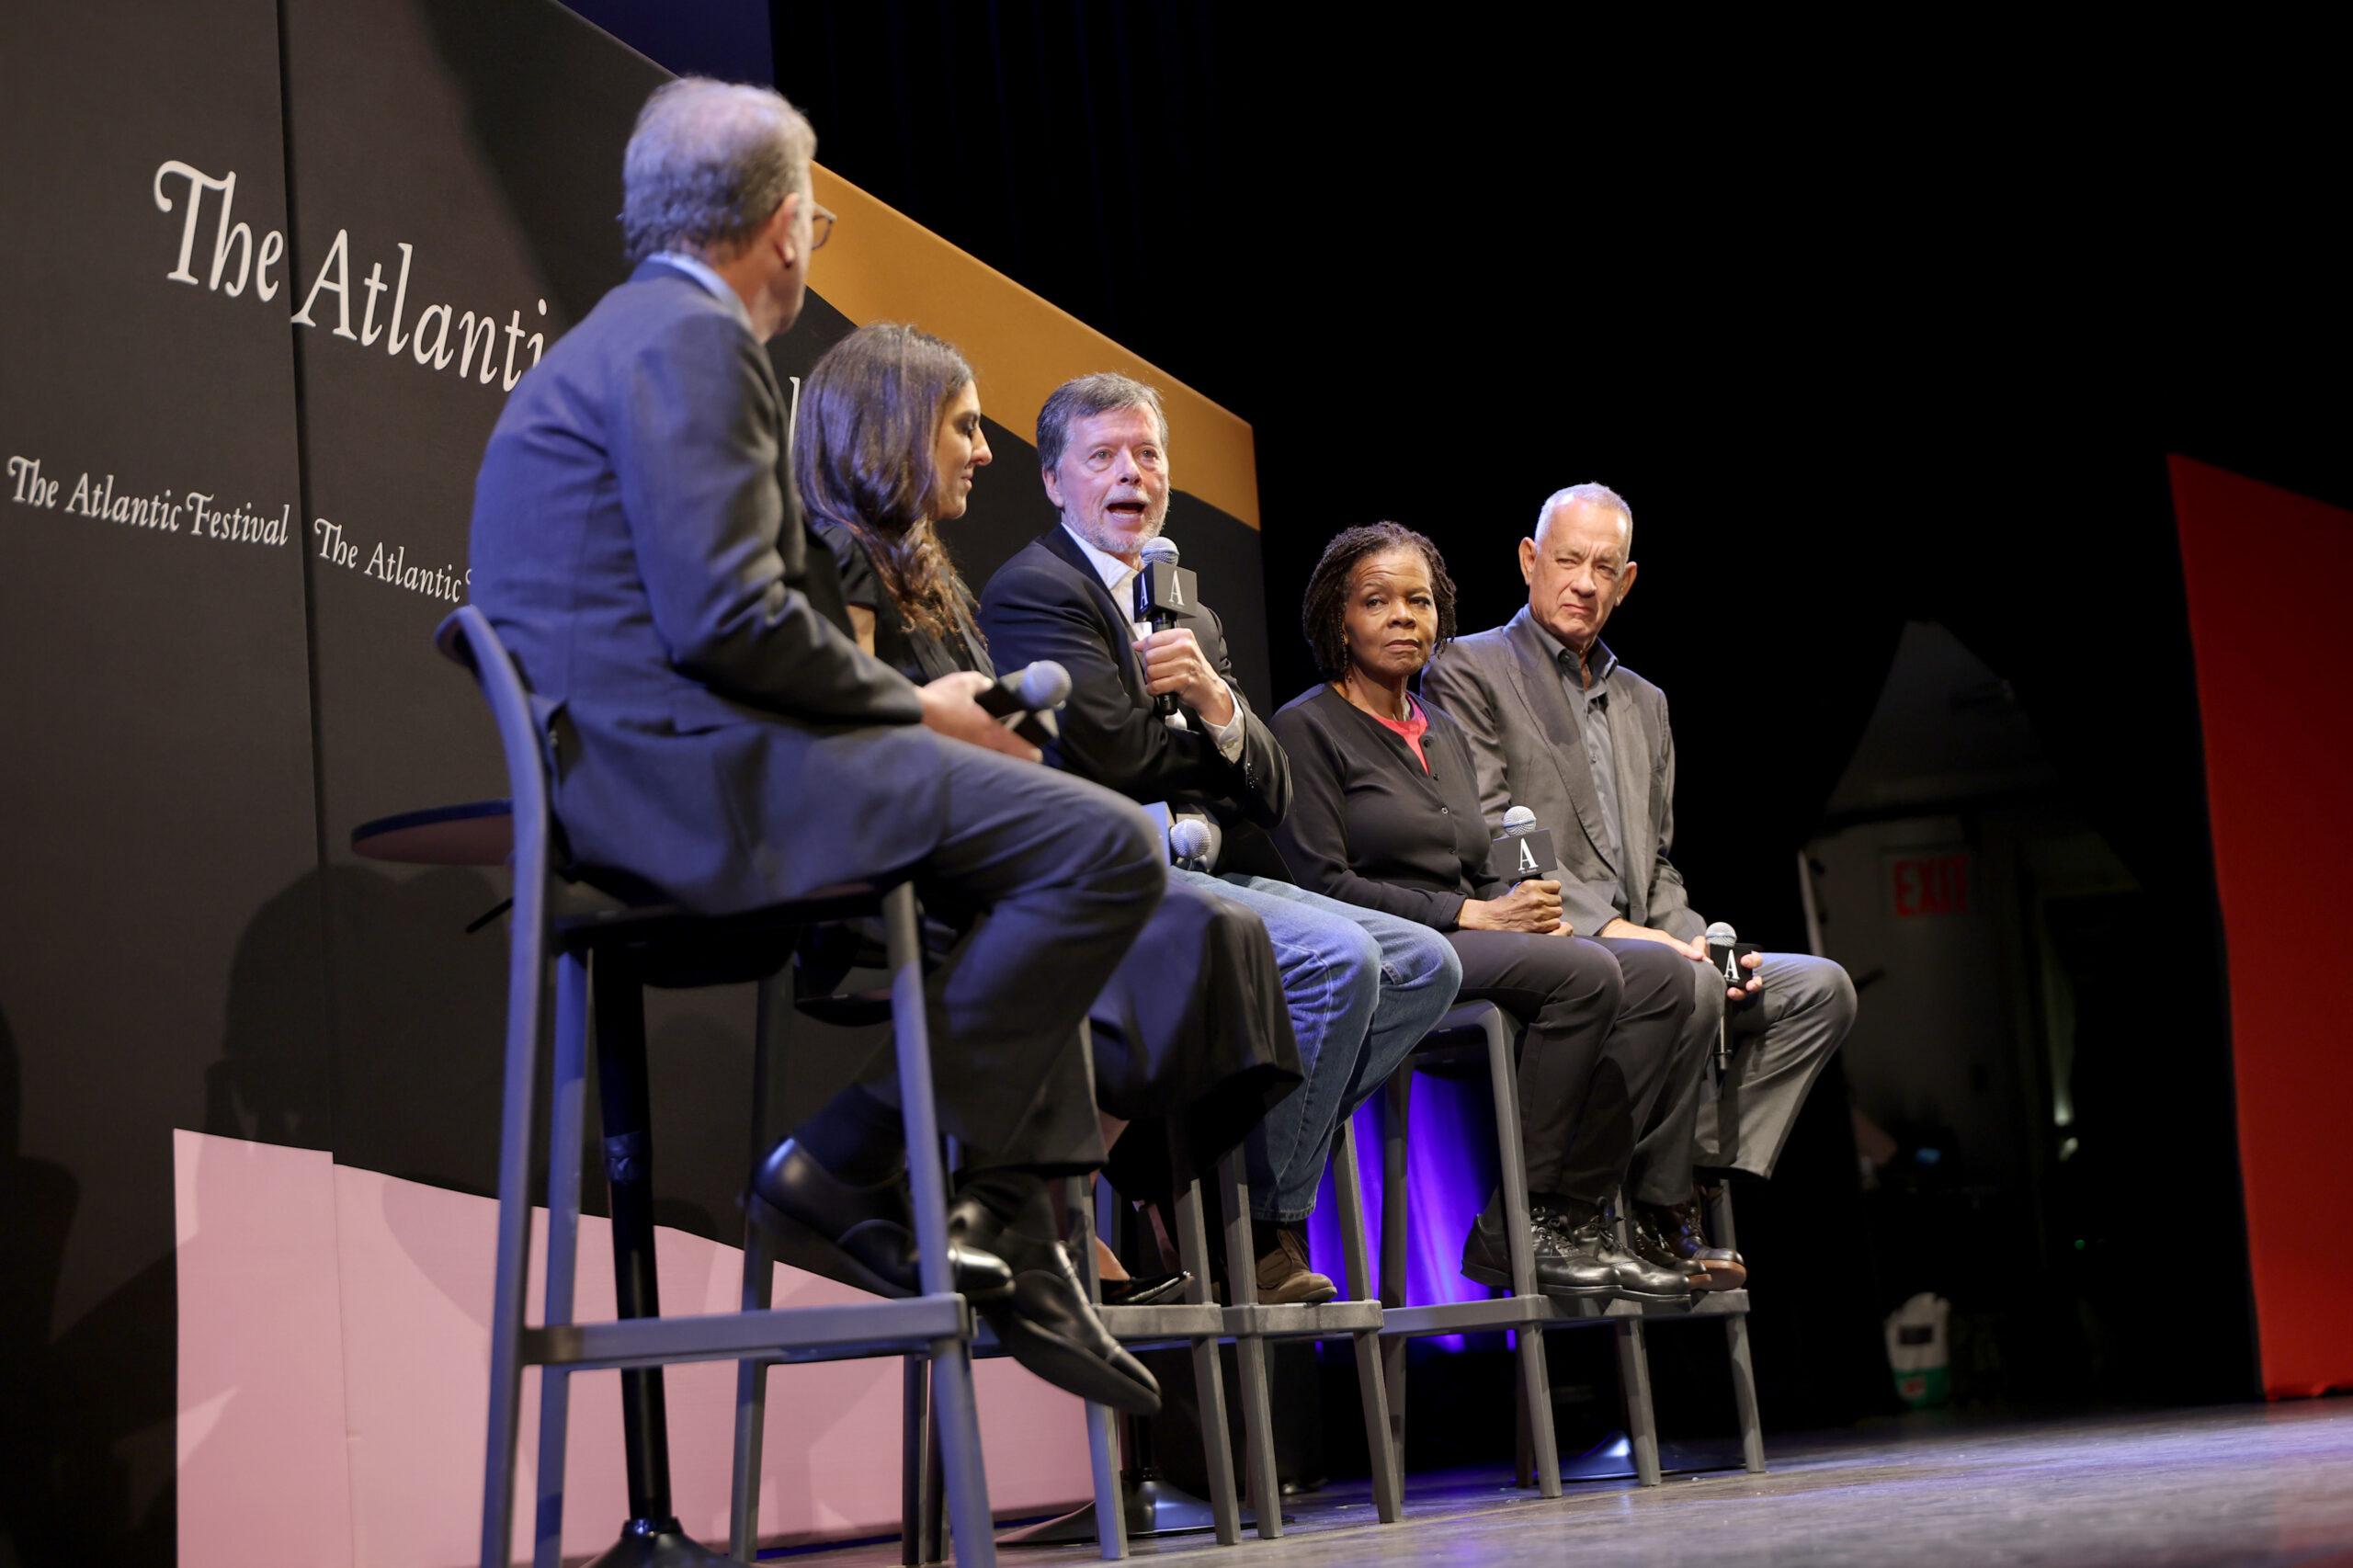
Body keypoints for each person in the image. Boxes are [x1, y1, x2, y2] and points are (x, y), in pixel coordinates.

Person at [467, 79, 1161, 1413]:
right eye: (816, 225)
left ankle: (1007, 1218)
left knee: (1024, 859)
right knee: (1107, 844)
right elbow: (731, 617)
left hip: (647, 780)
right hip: (694, 794)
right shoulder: (694, 341)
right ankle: (857, 1164)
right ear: (786, 227)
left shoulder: (615, 340)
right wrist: (920, 710)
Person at [791, 322, 1305, 1304]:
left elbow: (1017, 735)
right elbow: (842, 738)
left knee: (1220, 931)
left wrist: (1008, 724)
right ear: (896, 431)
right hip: (904, 869)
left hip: (983, 858)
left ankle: (1036, 1206)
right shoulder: (837, 557)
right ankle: (1028, 1212)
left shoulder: (928, 576)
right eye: (966, 427)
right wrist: (959, 719)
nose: (985, 451)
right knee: (1174, 910)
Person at [979, 373, 1462, 1305]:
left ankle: (1216, 1171)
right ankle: (1260, 1229)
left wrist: (1210, 696)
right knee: (1341, 958)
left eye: (1147, 453)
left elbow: (1270, 786)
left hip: (1211, 869)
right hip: (1115, 874)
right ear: (1053, 480)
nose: (1131, 473)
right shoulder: (1036, 589)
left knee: (1423, 965)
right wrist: (1212, 745)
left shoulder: (1187, 610)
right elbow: (1111, 752)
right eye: (1102, 456)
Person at [1423, 483, 1859, 1288]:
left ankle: (1685, 1170)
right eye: (1569, 560)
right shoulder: (1469, 669)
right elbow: (1490, 839)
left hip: (1652, 948)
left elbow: (1656, 865)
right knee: (1678, 978)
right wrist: (1628, 934)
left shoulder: (1645, 703)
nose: (1584, 582)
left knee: (1817, 990)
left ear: (1626, 583)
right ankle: (1652, 1205)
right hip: (1553, 941)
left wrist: (1698, 939)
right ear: (1529, 560)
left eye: (1604, 567)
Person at [1269, 524, 1695, 1301]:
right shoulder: (1306, 728)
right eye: (1378, 602)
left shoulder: (1442, 730)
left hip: (1476, 934)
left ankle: (1572, 1215)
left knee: (1662, 975)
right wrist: (1471, 914)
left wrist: (1524, 906)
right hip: (1394, 951)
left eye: (1420, 601)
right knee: (1584, 977)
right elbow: (1321, 886)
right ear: (1340, 619)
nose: (1404, 616)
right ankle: (1519, 1224)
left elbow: (1480, 854)